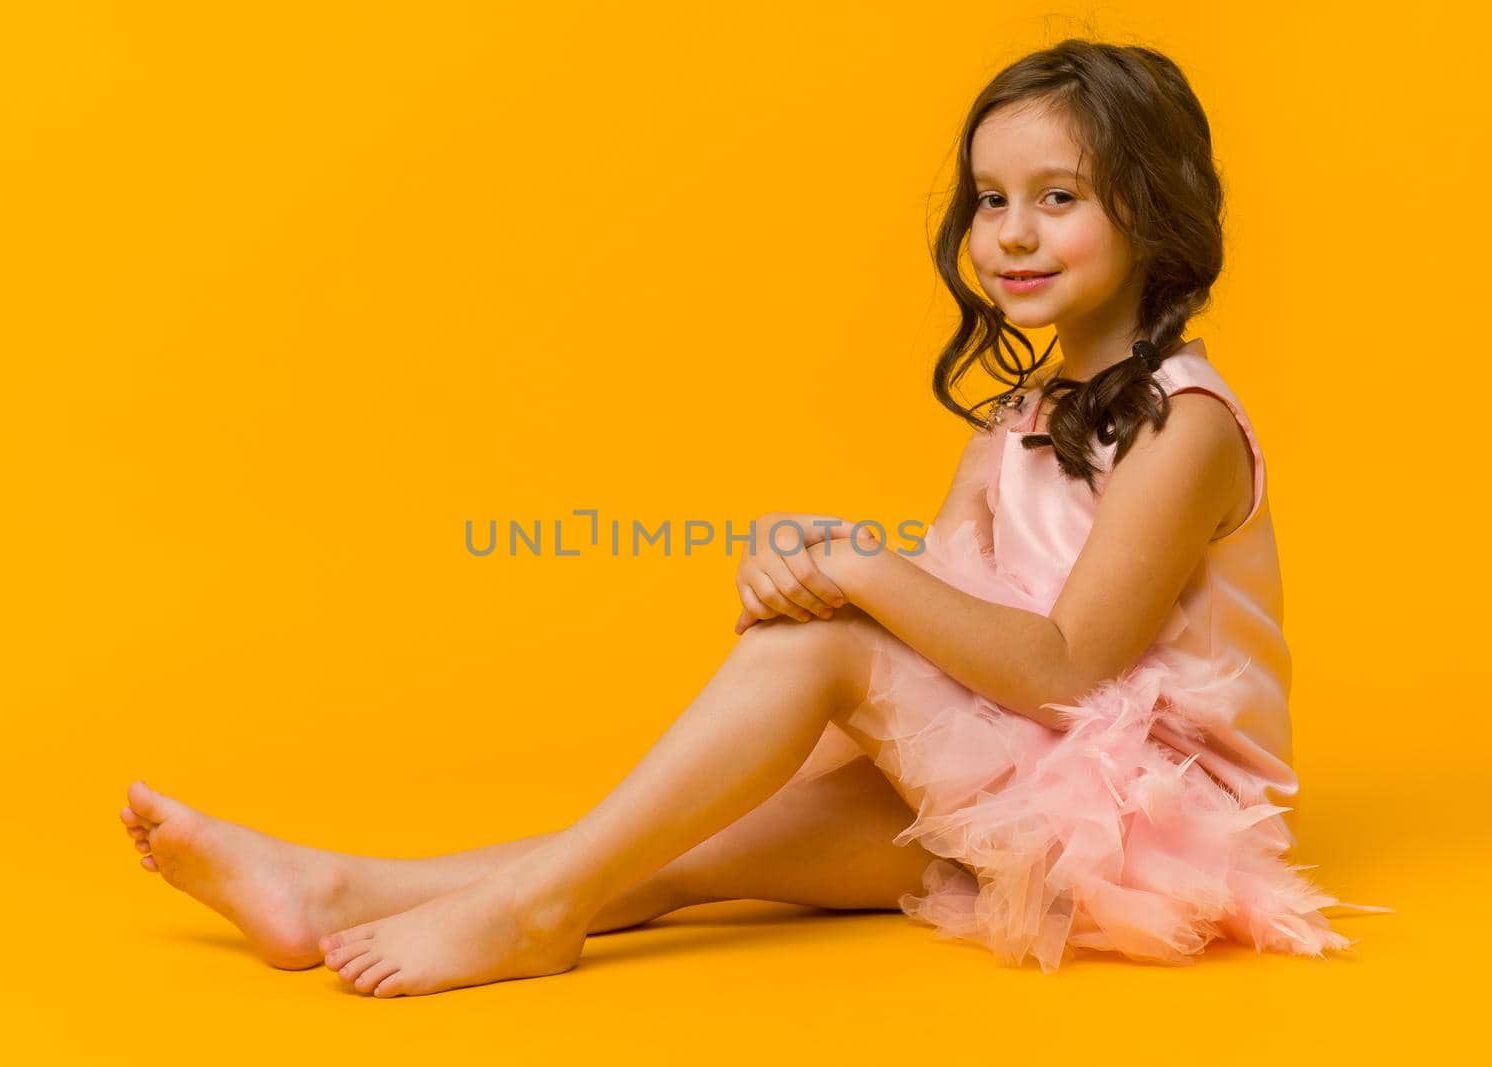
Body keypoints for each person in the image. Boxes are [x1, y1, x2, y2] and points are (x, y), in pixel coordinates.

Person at [118, 38, 1389, 996]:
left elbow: (1063, 667)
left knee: (811, 653)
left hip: (1141, 818)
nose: (1009, 234)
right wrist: (827, 564)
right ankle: (334, 887)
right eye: (989, 200)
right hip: (1032, 777)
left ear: (1154, 212)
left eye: (1057, 197)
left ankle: (524, 918)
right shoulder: (1023, 409)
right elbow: (955, 598)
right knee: (690, 839)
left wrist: (848, 587)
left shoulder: (1182, 422)